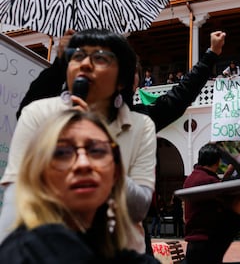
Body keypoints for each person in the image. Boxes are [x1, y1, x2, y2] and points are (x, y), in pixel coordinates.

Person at [0, 29, 158, 253]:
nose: (85, 64)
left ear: (122, 80)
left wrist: (100, 140)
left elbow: (138, 208)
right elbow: (17, 196)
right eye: (77, 55)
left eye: (100, 57)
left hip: (119, 251)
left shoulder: (141, 126)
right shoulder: (37, 114)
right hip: (50, 252)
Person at [0, 110, 159, 264]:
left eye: (97, 150)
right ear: (39, 175)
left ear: (116, 173)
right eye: (61, 152)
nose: (83, 164)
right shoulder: (25, 253)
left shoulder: (109, 252)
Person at [15, 31, 226, 133]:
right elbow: (27, 114)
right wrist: (62, 62)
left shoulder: (138, 120)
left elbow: (181, 96)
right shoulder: (65, 113)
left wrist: (211, 55)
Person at [183, 143, 240, 264]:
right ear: (217, 162)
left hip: (194, 242)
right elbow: (228, 202)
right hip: (206, 241)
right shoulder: (209, 181)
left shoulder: (192, 178)